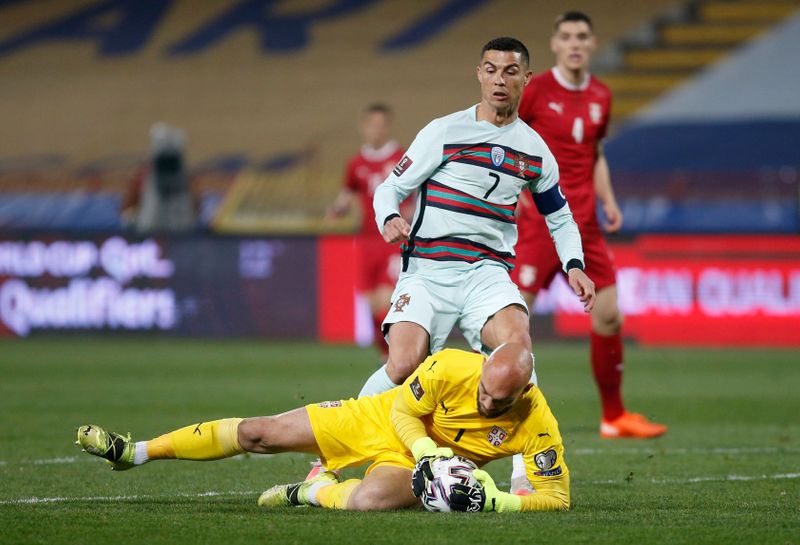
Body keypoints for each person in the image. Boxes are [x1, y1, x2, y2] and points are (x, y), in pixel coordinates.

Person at [357, 37, 595, 404]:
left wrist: (574, 264)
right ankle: (334, 451)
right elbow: (389, 188)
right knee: (403, 364)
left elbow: (559, 216)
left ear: (526, 78)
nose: (500, 80)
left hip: (486, 273)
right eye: (492, 70)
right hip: (429, 269)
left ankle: (525, 462)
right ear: (479, 75)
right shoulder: (444, 131)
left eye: (510, 71)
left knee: (519, 351)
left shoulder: (534, 150)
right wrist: (388, 217)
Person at [75, 343, 569, 512]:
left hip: (417, 468)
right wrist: (427, 451)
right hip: (381, 420)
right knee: (258, 433)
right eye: (483, 389)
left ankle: (310, 492)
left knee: (369, 503)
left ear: (523, 393)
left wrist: (499, 501)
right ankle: (134, 451)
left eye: (497, 400)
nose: (485, 400)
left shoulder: (537, 419)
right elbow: (401, 412)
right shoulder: (451, 365)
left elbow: (557, 498)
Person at [512, 12, 667, 450]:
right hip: (540, 224)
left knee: (609, 314)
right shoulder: (536, 88)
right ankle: (488, 410)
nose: (575, 43)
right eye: (566, 36)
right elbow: (508, 137)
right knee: (510, 321)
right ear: (555, 44)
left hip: (586, 225)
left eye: (582, 36)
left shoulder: (601, 94)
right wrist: (517, 191)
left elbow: (595, 152)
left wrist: (610, 198)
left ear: (593, 44)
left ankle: (614, 416)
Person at [326, 103, 410, 360]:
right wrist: (337, 209)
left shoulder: (401, 157)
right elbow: (349, 191)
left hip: (393, 241)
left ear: (388, 127)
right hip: (366, 241)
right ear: (364, 128)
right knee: (373, 306)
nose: (376, 130)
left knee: (386, 301)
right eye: (372, 125)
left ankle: (399, 356)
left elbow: (417, 191)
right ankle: (386, 357)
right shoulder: (356, 163)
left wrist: (410, 213)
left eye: (381, 125)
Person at [121, 122, 197, 234]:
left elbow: (195, 209)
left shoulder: (185, 179)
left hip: (180, 227)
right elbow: (126, 209)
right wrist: (133, 218)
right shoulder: (142, 177)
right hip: (150, 227)